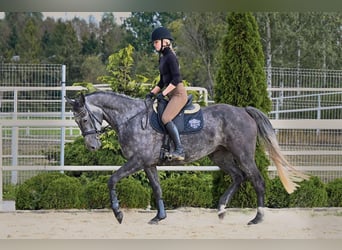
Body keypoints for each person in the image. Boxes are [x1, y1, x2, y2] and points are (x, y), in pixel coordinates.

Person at [146, 26, 187, 161]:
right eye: (154, 42)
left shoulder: (170, 57)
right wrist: (151, 93)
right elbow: (162, 81)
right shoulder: (162, 58)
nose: (154, 45)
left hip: (178, 94)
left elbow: (176, 79)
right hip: (169, 92)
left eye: (156, 42)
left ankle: (180, 150)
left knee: (165, 118)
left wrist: (163, 94)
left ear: (165, 42)